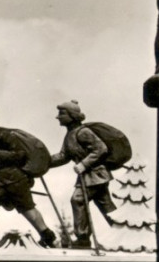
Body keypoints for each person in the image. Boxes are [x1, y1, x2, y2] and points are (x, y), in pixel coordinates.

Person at [0, 104, 56, 250]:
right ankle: (47, 235)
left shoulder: (3, 134)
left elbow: (21, 155)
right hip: (9, 181)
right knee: (25, 208)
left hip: (13, 182)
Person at [47, 101, 116, 249]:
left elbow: (101, 148)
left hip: (96, 175)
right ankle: (124, 229)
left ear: (72, 116)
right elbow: (63, 156)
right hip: (87, 176)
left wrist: (84, 164)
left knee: (78, 200)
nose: (58, 117)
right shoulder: (70, 135)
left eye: (62, 114)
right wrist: (44, 162)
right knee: (106, 206)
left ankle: (83, 239)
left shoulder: (83, 132)